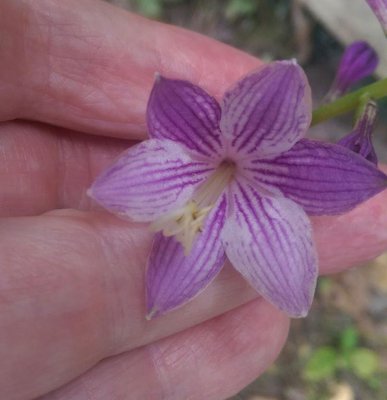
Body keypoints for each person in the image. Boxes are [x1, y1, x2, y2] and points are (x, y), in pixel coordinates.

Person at [1, 1, 386, 399]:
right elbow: (175, 103)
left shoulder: (272, 160)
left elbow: (325, 168)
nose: (191, 215)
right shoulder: (224, 132)